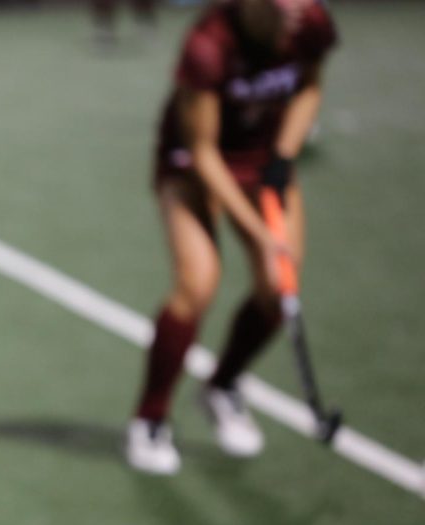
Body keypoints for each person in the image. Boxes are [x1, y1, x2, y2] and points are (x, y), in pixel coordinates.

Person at [125, 0, 337, 475]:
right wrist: (260, 233)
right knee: (197, 285)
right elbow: (203, 151)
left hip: (263, 160)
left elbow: (308, 89)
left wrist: (283, 156)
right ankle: (150, 419)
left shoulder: (312, 24)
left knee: (277, 287)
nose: (299, 8)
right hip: (194, 164)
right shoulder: (208, 46)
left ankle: (222, 386)